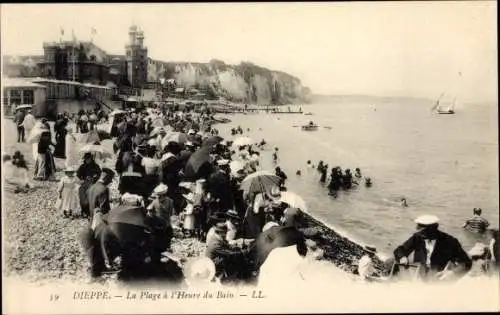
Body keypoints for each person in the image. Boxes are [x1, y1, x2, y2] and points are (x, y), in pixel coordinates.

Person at [393, 215, 472, 281]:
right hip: (419, 277)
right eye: (419, 231)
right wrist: (403, 257)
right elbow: (399, 250)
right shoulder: (417, 237)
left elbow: (466, 263)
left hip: (440, 280)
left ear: (433, 229)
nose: (420, 234)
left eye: (423, 231)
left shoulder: (449, 241)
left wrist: (452, 273)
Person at [146, 184, 175, 261]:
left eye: (159, 195)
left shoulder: (155, 201)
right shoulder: (170, 201)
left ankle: (161, 253)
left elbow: (149, 210)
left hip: (160, 223)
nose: (158, 197)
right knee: (164, 239)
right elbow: (171, 212)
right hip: (164, 223)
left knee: (160, 239)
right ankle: (163, 252)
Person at [77, 153, 102, 219]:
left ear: (91, 159)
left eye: (88, 159)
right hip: (85, 183)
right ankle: (84, 211)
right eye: (86, 159)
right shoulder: (82, 166)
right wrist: (83, 178)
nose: (87, 160)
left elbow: (99, 174)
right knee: (82, 195)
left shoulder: (96, 166)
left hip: (93, 183)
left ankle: (92, 211)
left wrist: (94, 177)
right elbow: (78, 174)